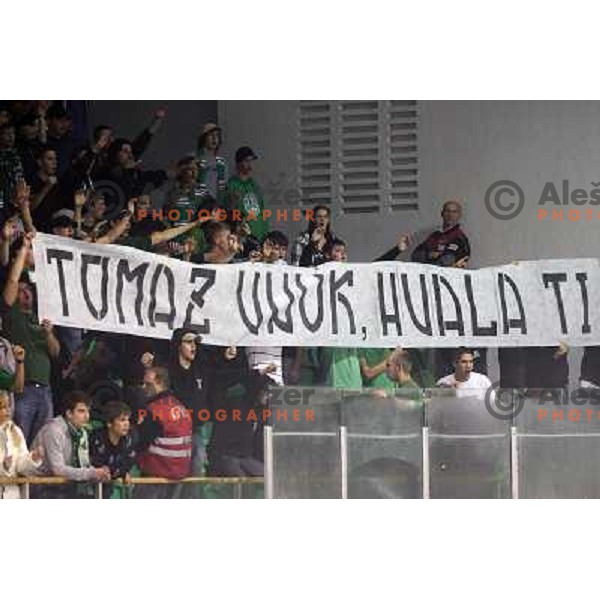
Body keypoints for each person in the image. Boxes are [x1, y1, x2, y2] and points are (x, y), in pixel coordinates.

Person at [1, 234, 60, 445]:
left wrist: (49, 333)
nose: (25, 293)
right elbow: (13, 280)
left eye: (28, 290)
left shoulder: (41, 317)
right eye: (21, 291)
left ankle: (33, 480)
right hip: (22, 389)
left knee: (41, 445)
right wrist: (25, 251)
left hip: (45, 389)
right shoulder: (12, 316)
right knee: (19, 441)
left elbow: (55, 352)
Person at [32, 391, 111, 498]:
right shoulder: (54, 430)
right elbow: (58, 470)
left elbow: (83, 465)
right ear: (69, 413)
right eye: (81, 411)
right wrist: (91, 473)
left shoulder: (82, 432)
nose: (87, 416)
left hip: (64, 485)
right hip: (40, 485)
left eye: (88, 411)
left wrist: (99, 472)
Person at [135, 367, 192, 498]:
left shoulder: (155, 410)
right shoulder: (180, 406)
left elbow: (141, 441)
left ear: (160, 382)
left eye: (148, 384)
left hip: (155, 475)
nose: (144, 388)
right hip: (178, 476)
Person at [0, 389, 43, 499]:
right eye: (2, 408)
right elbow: (5, 468)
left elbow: (21, 467)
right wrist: (3, 466)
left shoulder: (16, 431)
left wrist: (32, 458)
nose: (8, 411)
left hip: (13, 494)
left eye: (9, 406)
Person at [89, 401, 136, 498]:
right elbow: (97, 464)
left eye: (128, 420)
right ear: (109, 423)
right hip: (88, 487)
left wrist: (122, 472)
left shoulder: (129, 439)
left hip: (108, 487)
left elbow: (128, 463)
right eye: (122, 420)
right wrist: (120, 472)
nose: (127, 424)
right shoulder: (96, 438)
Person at [411, 199, 470, 267]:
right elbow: (415, 256)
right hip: (429, 275)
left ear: (459, 215)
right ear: (442, 214)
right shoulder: (434, 236)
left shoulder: (460, 237)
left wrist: (430, 259)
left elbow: (447, 262)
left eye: (454, 212)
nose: (450, 215)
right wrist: (429, 255)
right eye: (447, 211)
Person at [227, 146, 269, 241]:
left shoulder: (254, 184)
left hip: (259, 232)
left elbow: (261, 208)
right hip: (243, 234)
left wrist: (265, 231)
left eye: (251, 161)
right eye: (246, 161)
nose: (250, 164)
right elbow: (229, 209)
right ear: (239, 163)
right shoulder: (232, 184)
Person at [196, 122, 228, 207]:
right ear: (204, 138)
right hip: (197, 205)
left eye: (217, 135)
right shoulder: (194, 158)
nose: (214, 138)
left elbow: (224, 187)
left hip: (216, 207)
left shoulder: (221, 162)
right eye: (211, 135)